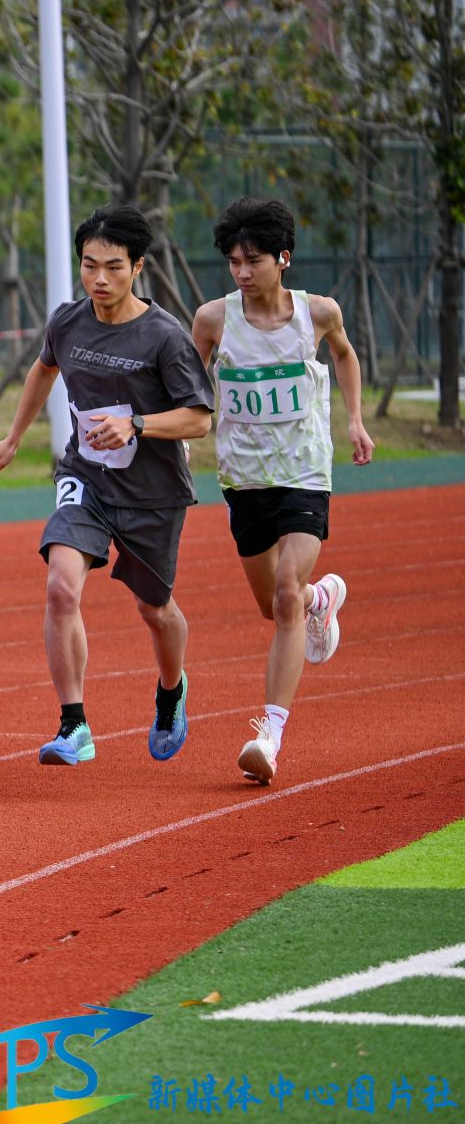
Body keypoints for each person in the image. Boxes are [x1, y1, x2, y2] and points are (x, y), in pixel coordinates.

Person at [0, 205, 214, 768]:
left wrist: (136, 424)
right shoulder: (67, 322)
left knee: (154, 609)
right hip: (85, 477)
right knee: (61, 587)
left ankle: (171, 691)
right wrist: (13, 438)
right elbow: (44, 369)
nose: (100, 279)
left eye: (113, 267)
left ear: (137, 267)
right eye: (90, 266)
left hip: (152, 492)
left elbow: (198, 419)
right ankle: (74, 725)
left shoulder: (165, 337)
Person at [192, 197, 373, 785]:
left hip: (304, 472)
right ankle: (323, 601)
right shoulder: (213, 320)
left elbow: (345, 355)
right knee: (272, 605)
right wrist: (182, 439)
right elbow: (190, 388)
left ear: (283, 259)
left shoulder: (317, 313)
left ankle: (268, 737)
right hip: (243, 478)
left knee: (286, 595)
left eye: (253, 261)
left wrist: (354, 420)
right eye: (233, 262)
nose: (242, 272)